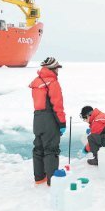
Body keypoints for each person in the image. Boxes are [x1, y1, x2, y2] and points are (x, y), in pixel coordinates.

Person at [28, 57, 66, 185]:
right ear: (52, 69)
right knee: (51, 149)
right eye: (57, 68)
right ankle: (52, 181)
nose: (58, 71)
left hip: (37, 118)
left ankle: (39, 178)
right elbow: (57, 105)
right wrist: (62, 123)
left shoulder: (36, 82)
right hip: (50, 119)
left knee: (38, 148)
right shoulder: (52, 82)